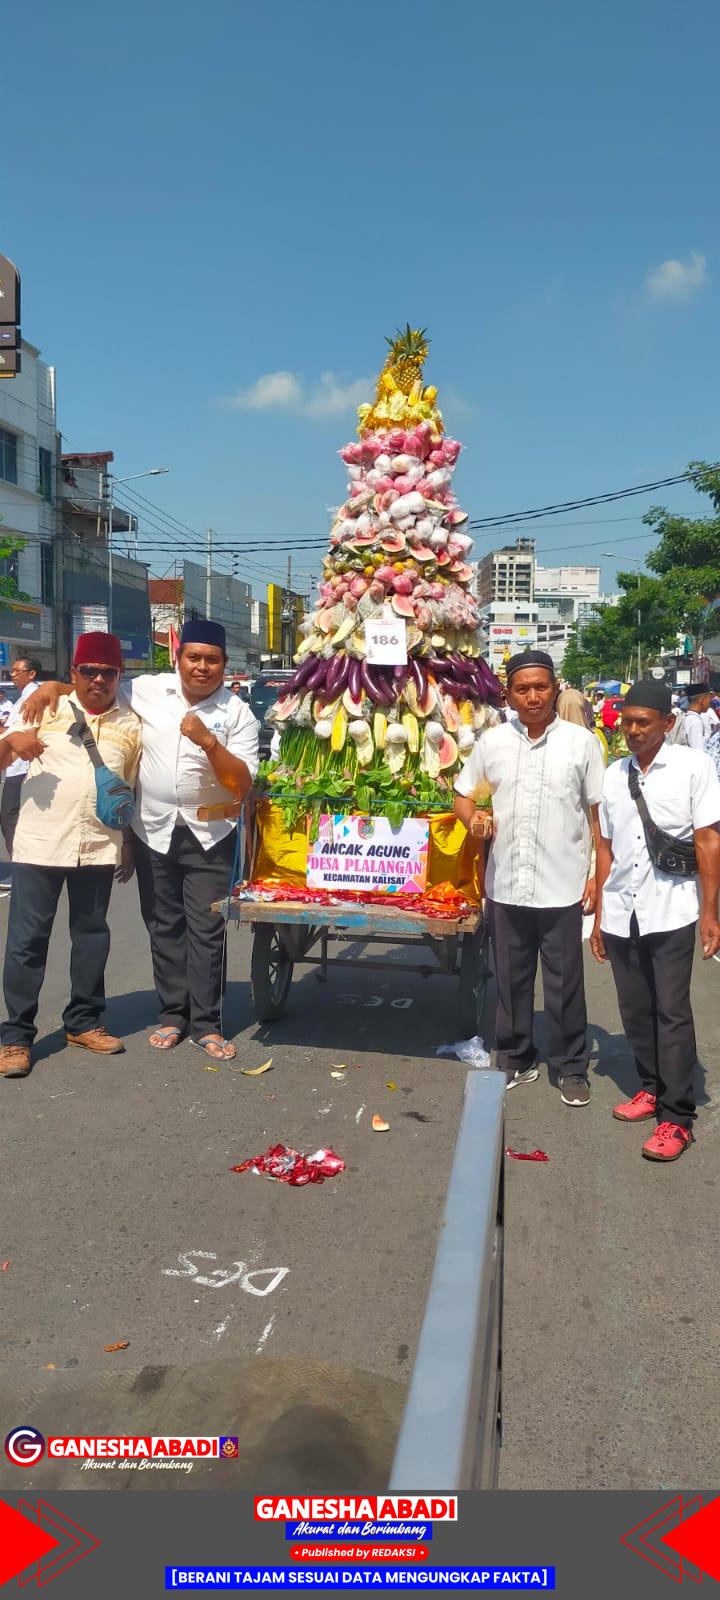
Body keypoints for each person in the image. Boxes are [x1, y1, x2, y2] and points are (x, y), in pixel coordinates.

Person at [23, 620, 259, 1060]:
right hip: (154, 829)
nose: (202, 667)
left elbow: (241, 783)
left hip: (211, 833)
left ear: (225, 666)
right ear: (179, 658)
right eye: (194, 657)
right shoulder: (148, 690)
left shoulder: (238, 713)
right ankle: (173, 1015)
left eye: (212, 660)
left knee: (206, 930)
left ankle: (207, 1023)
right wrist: (52, 685)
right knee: (163, 925)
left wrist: (209, 743)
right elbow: (96, 685)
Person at [454, 650, 604, 1106]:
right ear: (509, 694)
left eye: (542, 687)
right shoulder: (492, 742)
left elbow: (598, 816)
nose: (534, 696)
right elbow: (464, 794)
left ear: (556, 688)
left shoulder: (582, 744)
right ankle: (516, 1056)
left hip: (562, 885)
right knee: (510, 980)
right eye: (524, 689)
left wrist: (596, 876)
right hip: (507, 885)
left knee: (564, 985)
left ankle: (570, 1066)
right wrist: (472, 819)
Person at [0, 634, 142, 1079]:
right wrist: (15, 741)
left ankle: (82, 1022)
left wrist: (130, 845)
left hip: (99, 846)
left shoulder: (132, 724)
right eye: (89, 671)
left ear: (120, 676)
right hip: (41, 844)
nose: (98, 679)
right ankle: (16, 1037)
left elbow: (130, 787)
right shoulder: (44, 707)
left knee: (92, 937)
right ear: (73, 673)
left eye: (108, 672)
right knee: (27, 943)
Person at [590, 680, 720, 1162]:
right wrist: (601, 915)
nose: (633, 730)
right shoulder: (612, 774)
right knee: (634, 1008)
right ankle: (650, 1087)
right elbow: (605, 848)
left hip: (673, 907)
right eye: (626, 721)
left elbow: (708, 840)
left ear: (668, 723)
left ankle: (677, 1117)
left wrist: (710, 912)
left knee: (672, 1011)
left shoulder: (694, 767)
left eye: (643, 722)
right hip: (624, 909)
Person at [0, 656, 42, 859]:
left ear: (31, 673)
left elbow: (18, 731)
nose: (13, 675)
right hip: (16, 767)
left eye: (17, 671)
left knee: (10, 818)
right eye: (12, 671)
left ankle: (21, 864)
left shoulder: (32, 697)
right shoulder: (22, 698)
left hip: (21, 767)